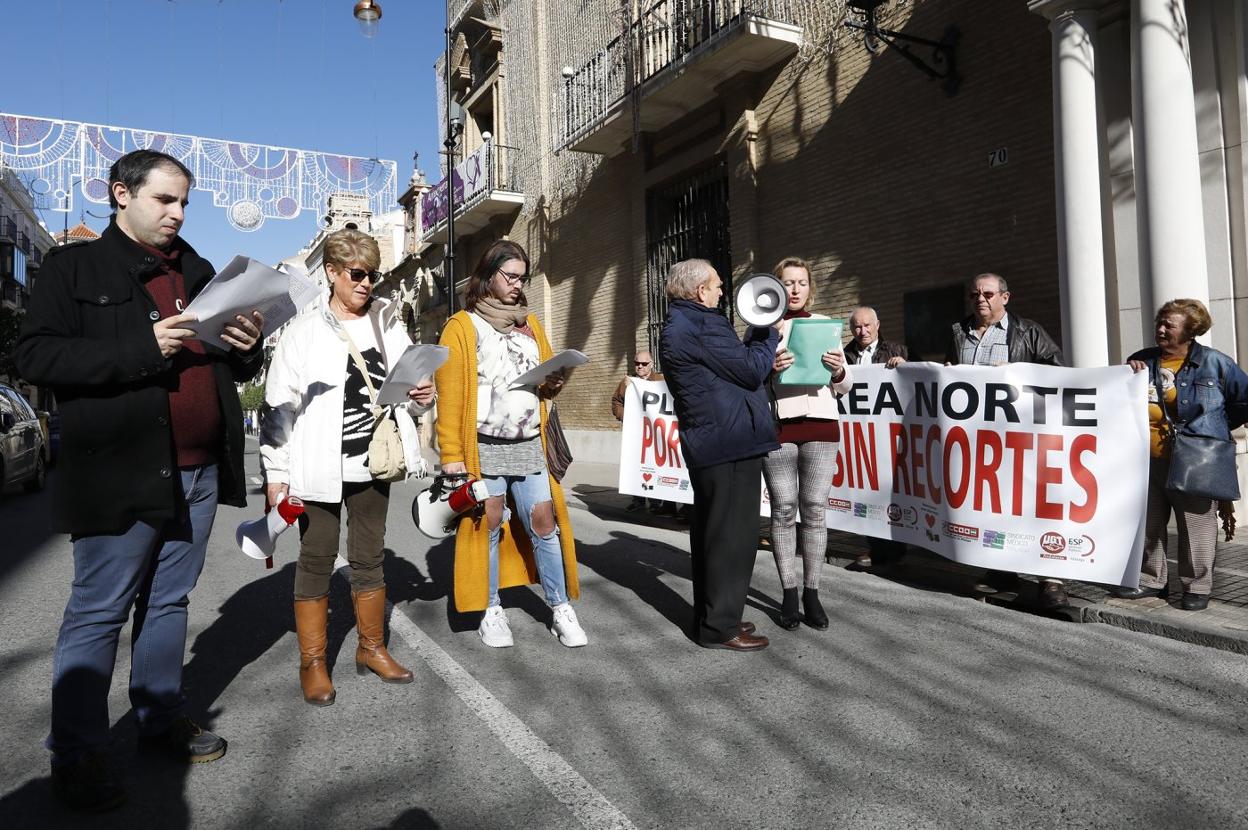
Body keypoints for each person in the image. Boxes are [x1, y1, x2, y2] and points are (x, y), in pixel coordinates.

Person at [15, 149, 265, 811]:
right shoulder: (73, 267)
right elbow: (35, 355)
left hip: (199, 470)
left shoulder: (199, 269)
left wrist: (248, 346)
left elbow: (224, 366)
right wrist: (141, 349)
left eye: (184, 203)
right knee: (99, 612)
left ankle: (159, 718)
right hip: (120, 468)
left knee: (169, 602)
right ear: (120, 194)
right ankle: (77, 754)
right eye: (164, 200)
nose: (177, 214)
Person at [260, 229, 436, 706]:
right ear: (332, 272)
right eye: (357, 274)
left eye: (372, 275)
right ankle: (313, 662)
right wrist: (277, 475)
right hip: (316, 465)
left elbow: (408, 392)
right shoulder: (302, 332)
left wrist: (423, 396)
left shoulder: (388, 324)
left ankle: (371, 648)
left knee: (369, 557)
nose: (366, 283)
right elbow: (278, 408)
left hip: (373, 461)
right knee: (316, 559)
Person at [435, 239, 586, 648]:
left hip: (529, 442)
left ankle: (560, 607)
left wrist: (554, 380)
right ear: (489, 275)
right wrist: (451, 455)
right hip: (482, 448)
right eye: (511, 276)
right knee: (488, 525)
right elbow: (450, 396)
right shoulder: (462, 326)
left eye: (523, 277)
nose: (518, 284)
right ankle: (491, 609)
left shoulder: (530, 323)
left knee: (544, 524)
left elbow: (547, 382)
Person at [660, 258, 778, 651]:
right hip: (728, 442)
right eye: (716, 284)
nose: (722, 290)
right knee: (732, 538)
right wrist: (767, 332)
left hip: (713, 441)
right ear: (699, 291)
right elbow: (750, 370)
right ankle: (719, 627)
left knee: (714, 534)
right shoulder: (702, 324)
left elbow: (728, 371)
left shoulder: (680, 324)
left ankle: (714, 617)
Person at [945, 273, 1068, 609]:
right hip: (978, 438)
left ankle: (1050, 579)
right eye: (975, 294)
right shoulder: (958, 332)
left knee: (1035, 504)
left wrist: (1018, 372)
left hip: (1022, 435)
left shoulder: (1029, 332)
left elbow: (1058, 372)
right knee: (993, 504)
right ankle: (1002, 570)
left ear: (1005, 297)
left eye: (987, 294)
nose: (980, 299)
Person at [1116, 299, 1248, 611]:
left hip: (1197, 459)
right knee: (1149, 523)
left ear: (1191, 331)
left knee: (1196, 525)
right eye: (1159, 323)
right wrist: (1127, 373)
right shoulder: (1142, 360)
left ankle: (1197, 587)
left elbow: (1243, 401)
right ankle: (1152, 580)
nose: (1161, 329)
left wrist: (1211, 427)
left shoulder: (1216, 362)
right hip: (1146, 459)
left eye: (1169, 325)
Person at [764, 257, 853, 630]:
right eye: (788, 282)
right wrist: (768, 368)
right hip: (778, 427)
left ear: (810, 287)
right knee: (784, 509)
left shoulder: (824, 324)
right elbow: (747, 380)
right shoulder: (762, 328)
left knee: (814, 509)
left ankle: (812, 593)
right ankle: (788, 591)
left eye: (801, 282)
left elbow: (845, 385)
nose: (795, 289)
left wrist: (838, 370)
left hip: (821, 425)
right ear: (777, 288)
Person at [841, 305, 908, 570]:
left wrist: (906, 366)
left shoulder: (898, 350)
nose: (863, 331)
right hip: (858, 433)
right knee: (865, 491)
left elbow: (923, 378)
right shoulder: (843, 355)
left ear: (878, 325)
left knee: (892, 489)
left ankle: (897, 547)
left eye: (867, 325)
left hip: (889, 433)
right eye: (857, 326)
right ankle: (878, 548)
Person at [612, 350, 662, 513]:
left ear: (651, 364)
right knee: (635, 466)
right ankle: (638, 500)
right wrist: (625, 416)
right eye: (637, 363)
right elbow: (616, 402)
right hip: (635, 435)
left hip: (654, 435)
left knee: (653, 467)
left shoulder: (660, 381)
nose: (640, 366)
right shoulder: (628, 382)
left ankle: (656, 501)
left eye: (644, 363)